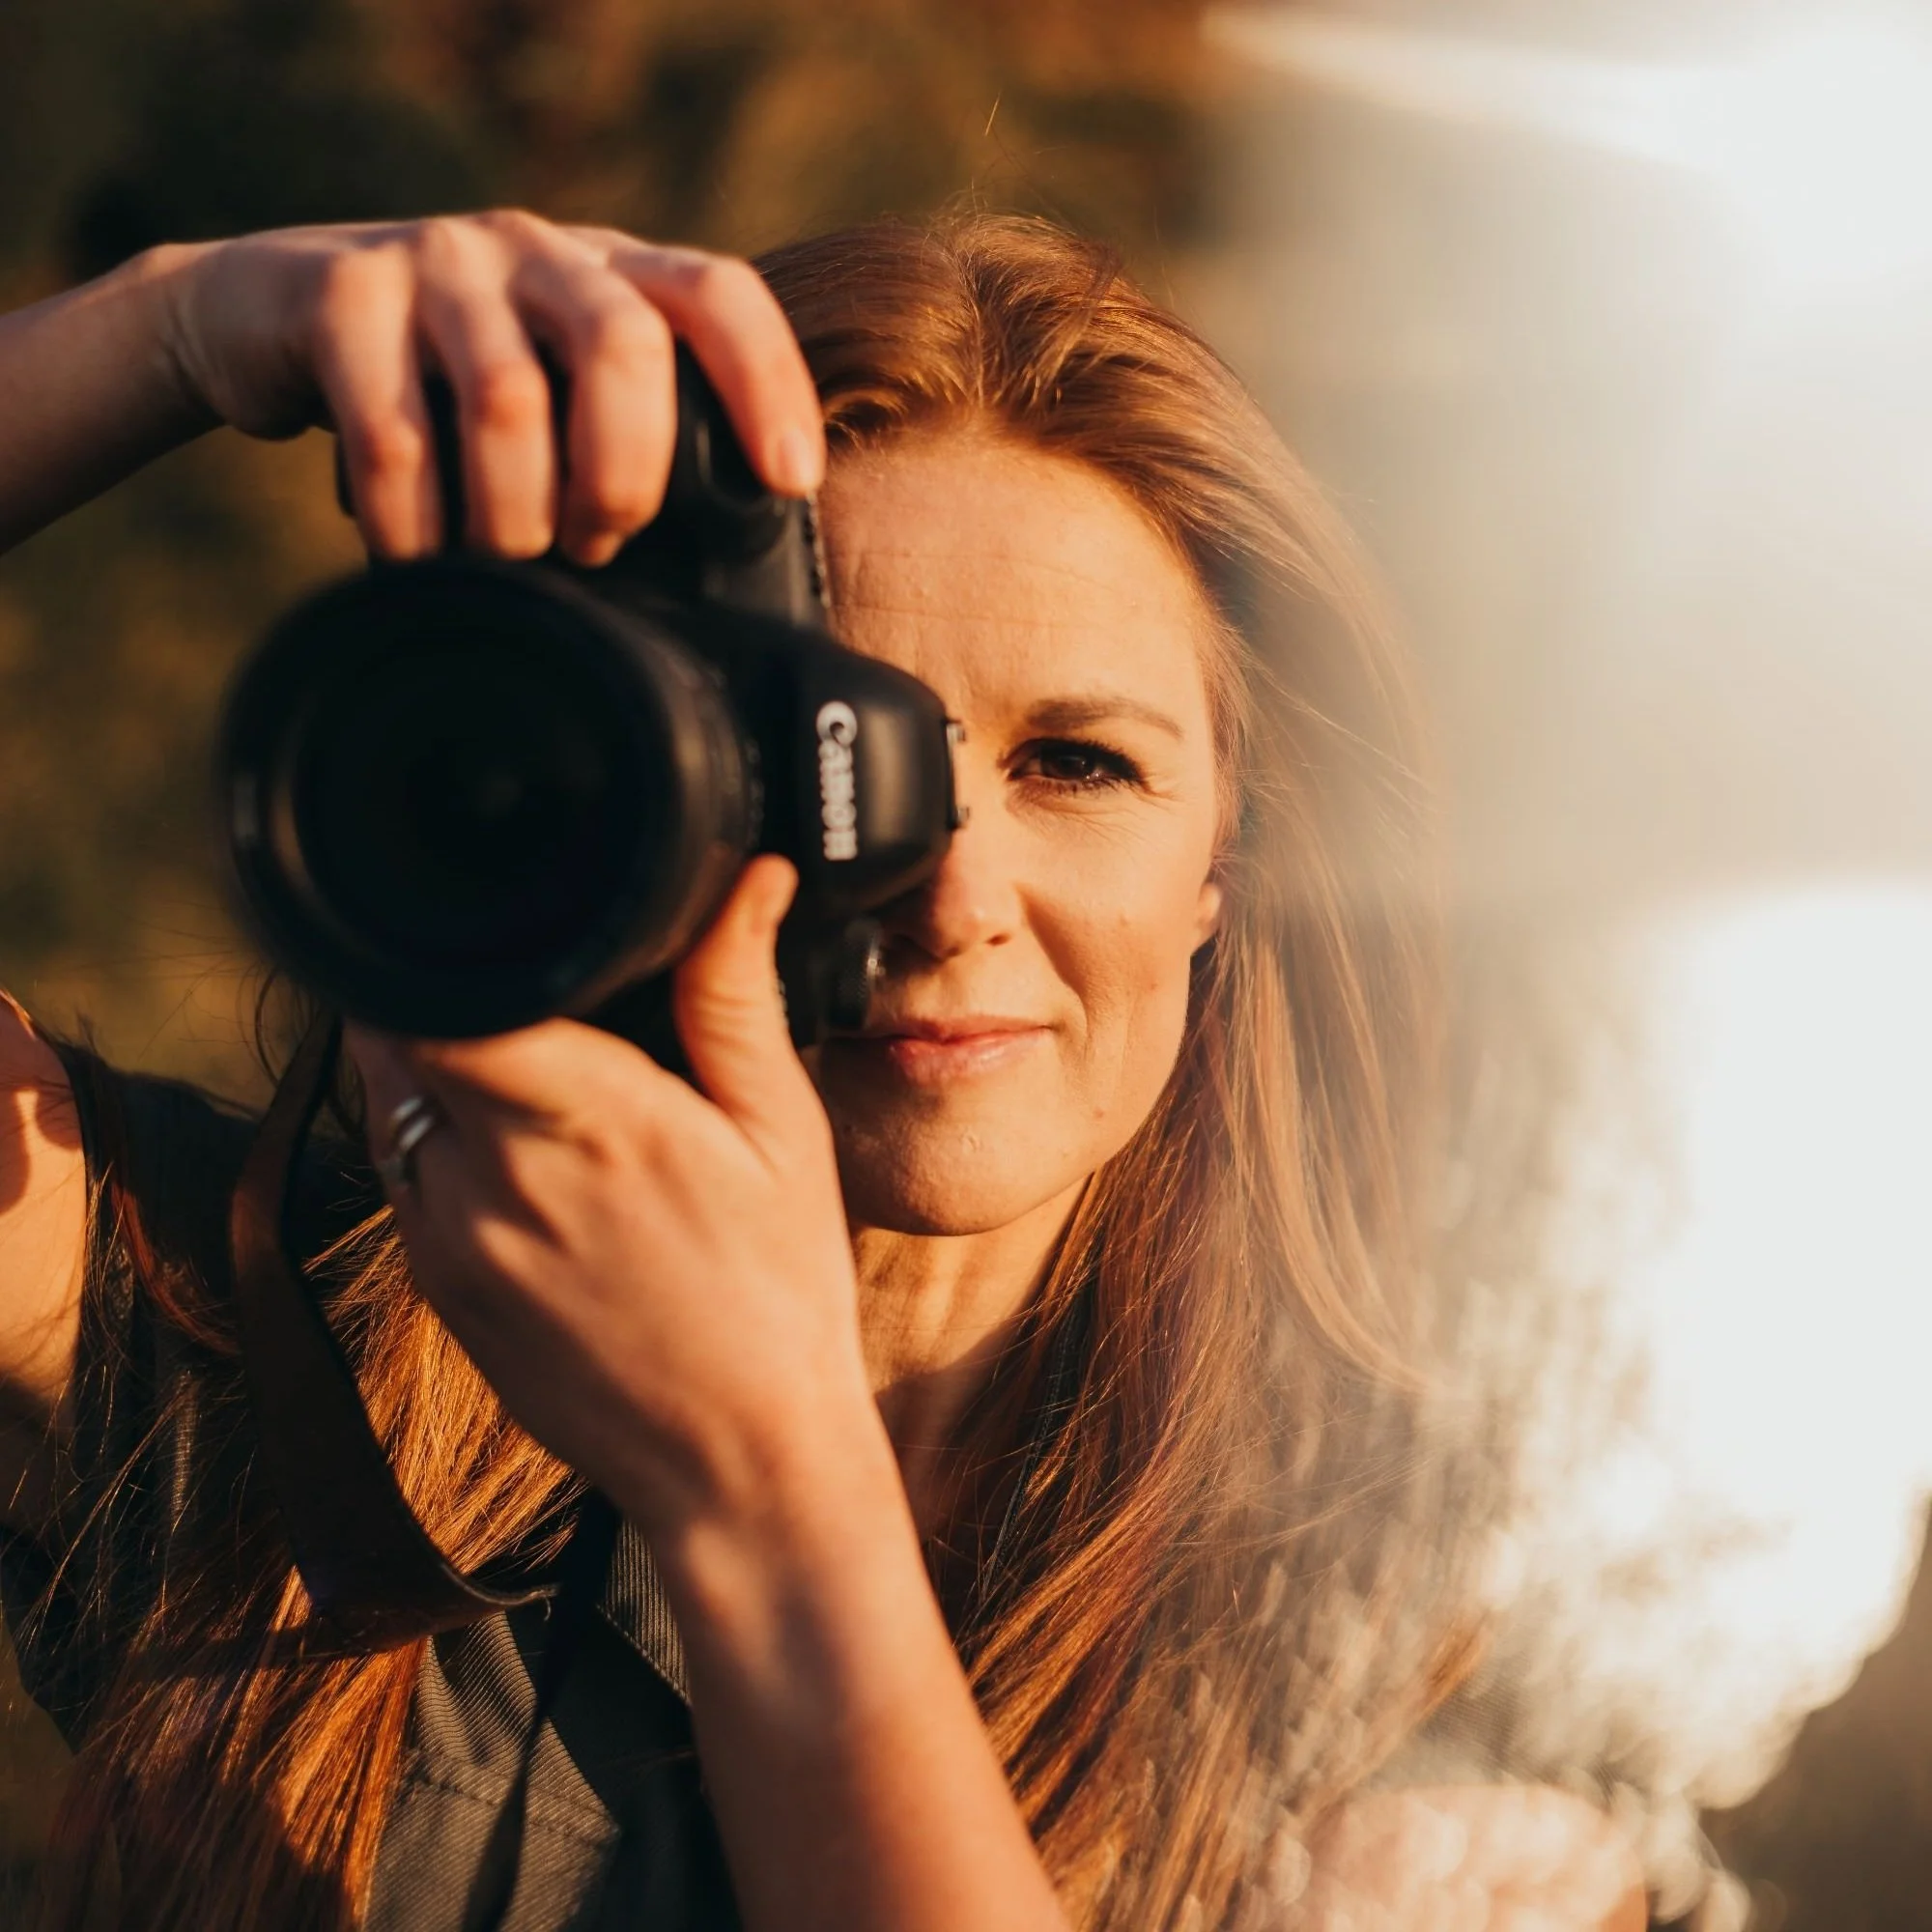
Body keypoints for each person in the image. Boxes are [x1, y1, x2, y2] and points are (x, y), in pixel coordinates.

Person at [0, 210, 1644, 1931]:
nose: (945, 893)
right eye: (816, 761)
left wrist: (766, 1475)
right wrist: (166, 334)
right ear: (614, 776)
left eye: (1076, 763)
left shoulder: (1434, 1620)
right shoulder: (271, 1373)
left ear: (1227, 851)